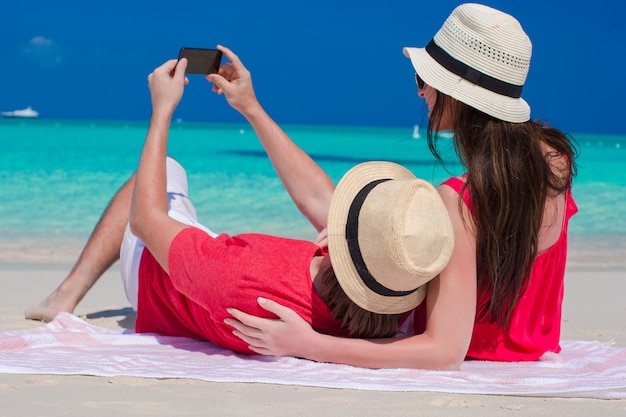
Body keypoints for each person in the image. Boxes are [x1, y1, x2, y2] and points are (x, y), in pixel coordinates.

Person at [210, 3, 578, 369]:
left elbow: (444, 352)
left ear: (456, 93)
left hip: (464, 351)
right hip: (532, 353)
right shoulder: (554, 164)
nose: (421, 93)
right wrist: (250, 107)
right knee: (343, 219)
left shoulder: (461, 199)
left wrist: (310, 345)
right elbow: (326, 201)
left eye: (424, 81)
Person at [25, 58, 455, 354]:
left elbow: (145, 219)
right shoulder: (392, 298)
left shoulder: (244, 281)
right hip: (216, 255)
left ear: (341, 242)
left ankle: (68, 292)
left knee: (160, 173)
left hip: (154, 277)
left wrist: (161, 109)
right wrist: (248, 106)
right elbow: (319, 198)